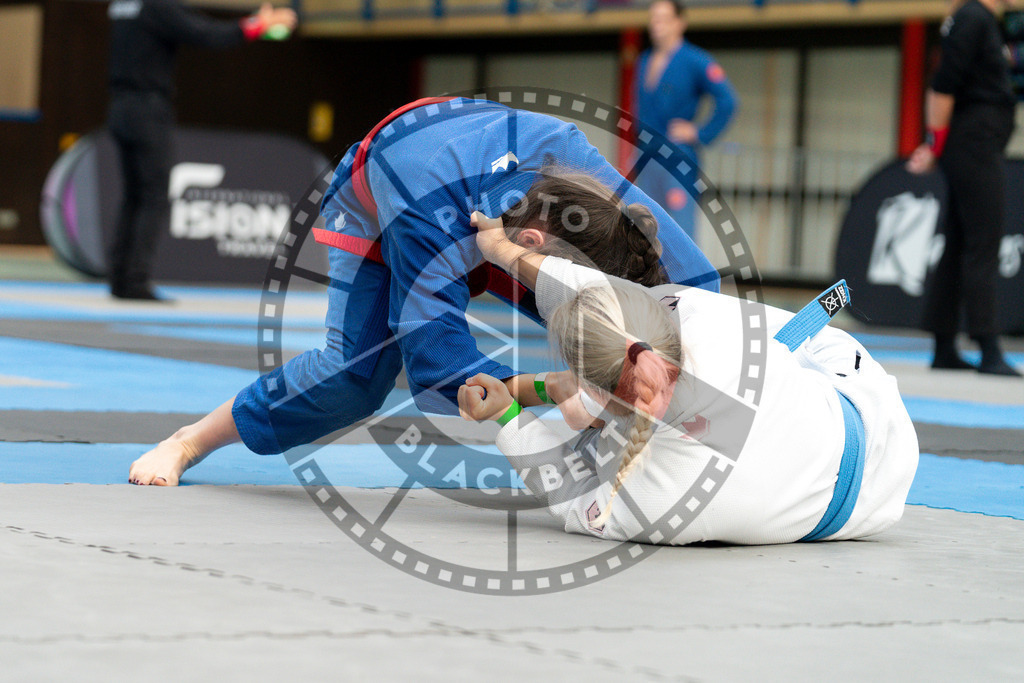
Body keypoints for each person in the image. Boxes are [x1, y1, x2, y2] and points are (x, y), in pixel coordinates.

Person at [128, 96, 720, 485]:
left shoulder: (575, 166)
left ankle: (647, 420)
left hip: (502, 208)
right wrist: (552, 385)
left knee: (633, 320)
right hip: (388, 204)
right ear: (535, 245)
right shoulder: (423, 206)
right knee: (353, 379)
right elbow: (439, 368)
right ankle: (191, 440)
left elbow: (693, 286)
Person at [458, 212, 920, 545]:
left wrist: (506, 414)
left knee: (597, 435)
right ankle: (571, 390)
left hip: (863, 487)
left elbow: (567, 489)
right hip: (866, 411)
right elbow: (591, 290)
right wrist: (503, 249)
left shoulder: (652, 502)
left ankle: (570, 391)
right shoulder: (692, 311)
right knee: (626, 395)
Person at [106, 0, 297, 300]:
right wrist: (256, 25)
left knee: (134, 196)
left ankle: (119, 278)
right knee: (152, 194)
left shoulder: (123, 5)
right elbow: (205, 33)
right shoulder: (157, 7)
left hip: (119, 106)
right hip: (147, 109)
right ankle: (134, 281)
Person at [907, 0, 1021, 377]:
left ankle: (943, 345)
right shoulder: (972, 17)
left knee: (959, 243)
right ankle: (988, 347)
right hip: (972, 144)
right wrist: (932, 143)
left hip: (976, 142)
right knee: (983, 241)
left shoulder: (985, 21)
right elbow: (943, 84)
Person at [632, 0, 738, 242]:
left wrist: (700, 133)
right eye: (653, 19)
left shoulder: (695, 60)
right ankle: (651, 281)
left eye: (663, 19)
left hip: (677, 157)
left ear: (679, 23)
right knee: (645, 229)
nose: (656, 25)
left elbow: (728, 100)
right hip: (647, 157)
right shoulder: (644, 60)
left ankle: (686, 280)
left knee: (680, 230)